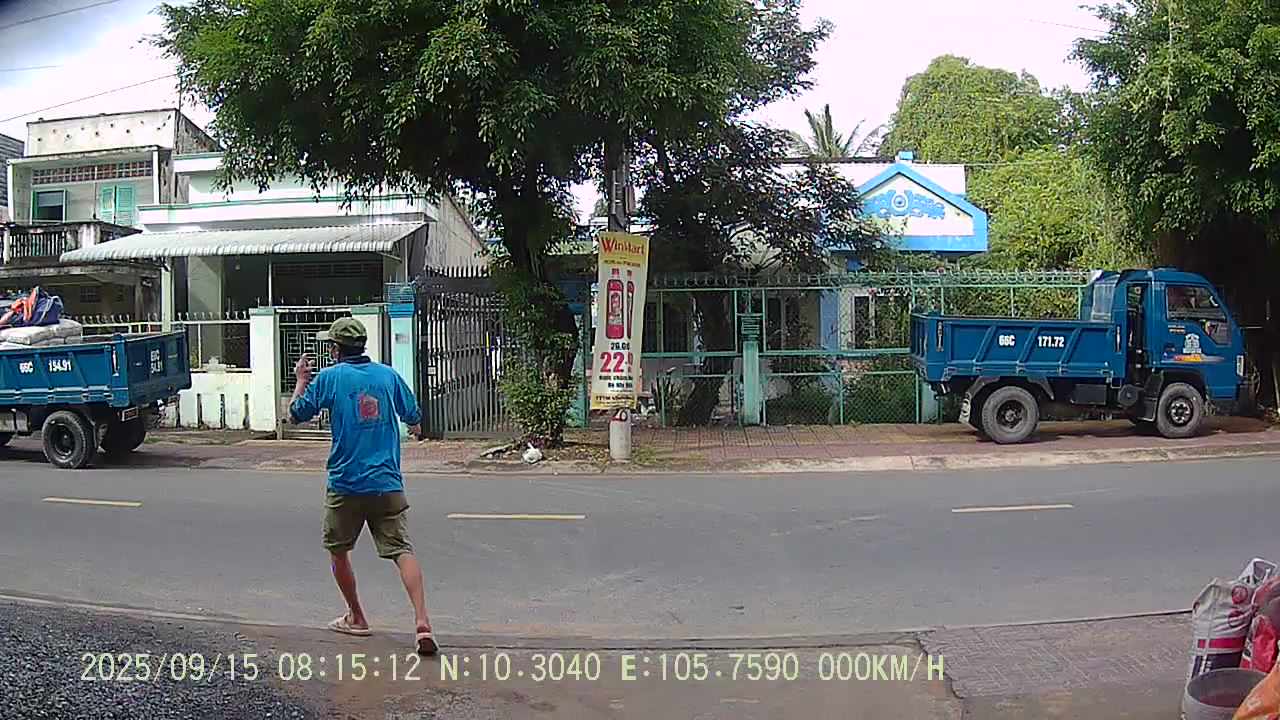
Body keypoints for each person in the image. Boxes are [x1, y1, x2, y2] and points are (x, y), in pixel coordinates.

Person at [288, 316, 438, 655]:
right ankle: (423, 623)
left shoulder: (329, 378)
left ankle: (356, 617)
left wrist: (301, 380)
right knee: (402, 550)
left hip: (346, 484)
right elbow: (414, 418)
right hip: (387, 482)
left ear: (335, 349)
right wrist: (412, 429)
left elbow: (296, 414)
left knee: (338, 551)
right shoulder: (387, 375)